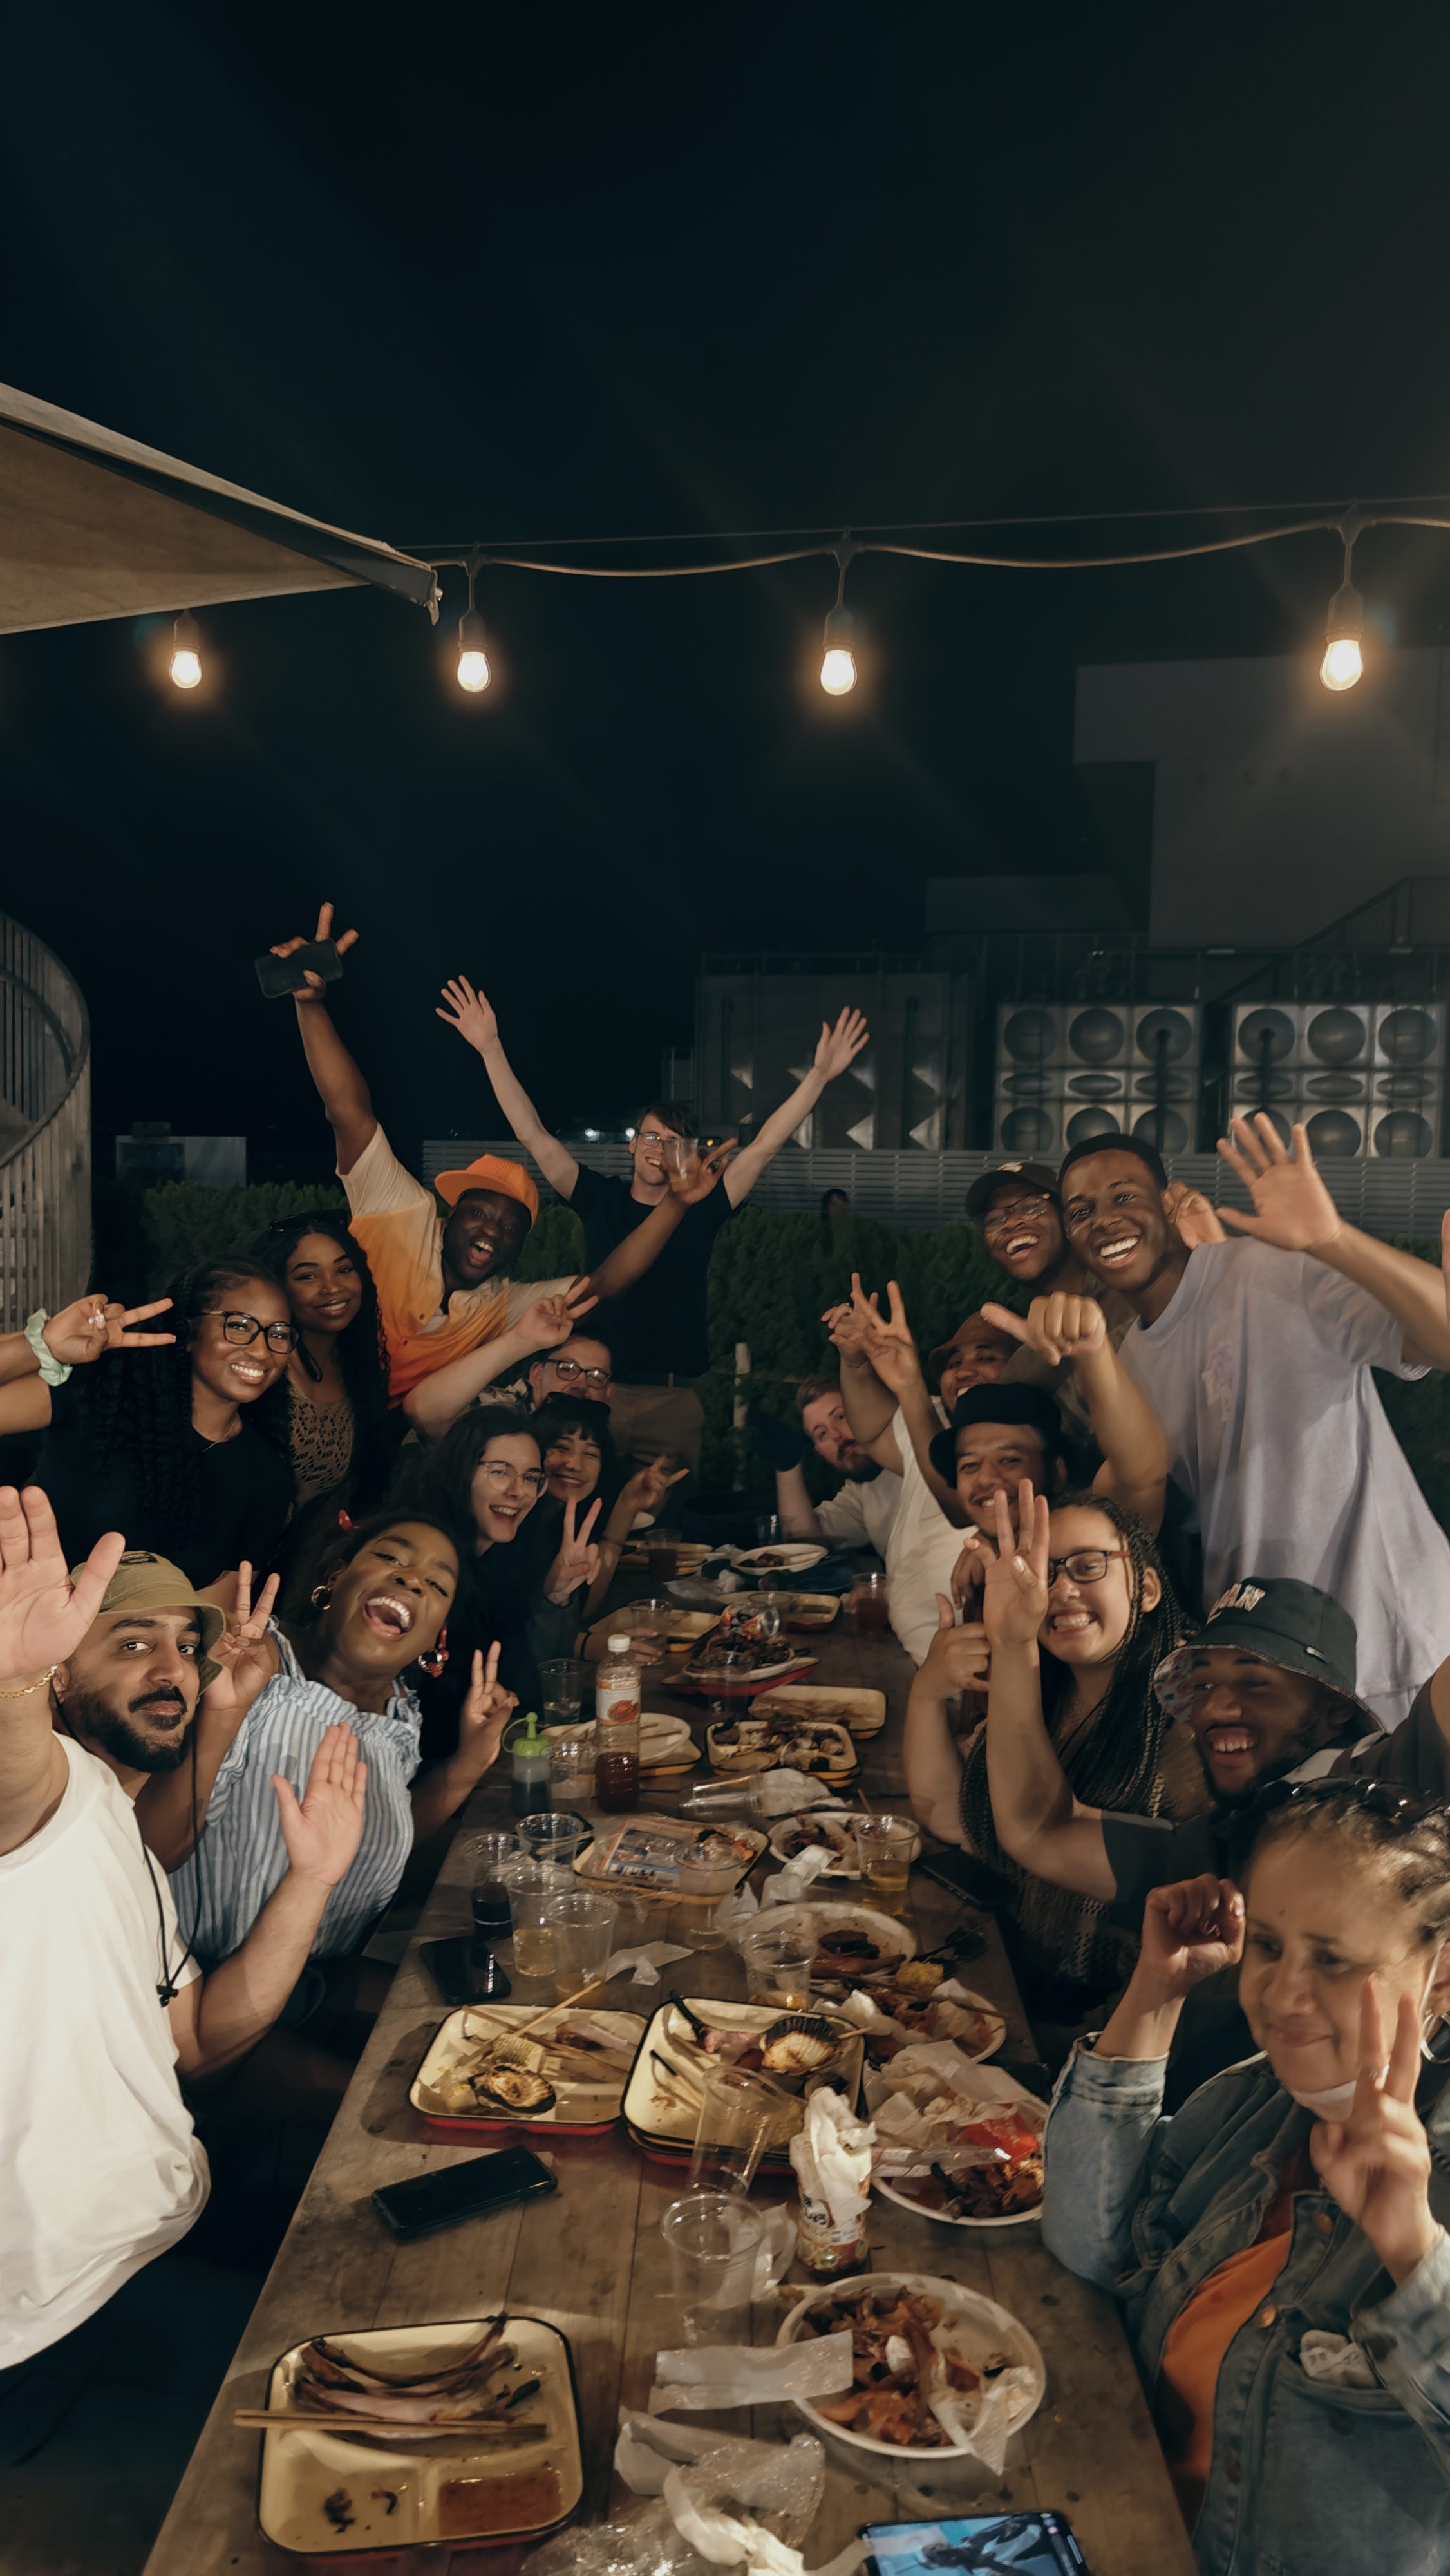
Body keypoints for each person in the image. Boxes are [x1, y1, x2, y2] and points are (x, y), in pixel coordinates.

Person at [0, 1487, 368, 2430]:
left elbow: (199, 2043)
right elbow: (15, 1782)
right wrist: (10, 1685)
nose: (173, 1668)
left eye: (184, 1647)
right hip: (62, 2322)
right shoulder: (52, 1790)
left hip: (164, 2236)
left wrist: (313, 1878)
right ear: (60, 1680)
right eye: (130, 1644)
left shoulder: (118, 1833)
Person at [1041, 1794, 1450, 2569]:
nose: (1280, 1992)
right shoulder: (1253, 2097)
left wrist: (1411, 2250)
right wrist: (1154, 1994)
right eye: (1266, 1944)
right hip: (1114, 2520)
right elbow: (1087, 2247)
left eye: (1331, 1959)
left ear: (1440, 1978)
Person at [1059, 1115, 1450, 1726]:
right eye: (1080, 1211)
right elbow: (1143, 1505)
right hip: (1268, 1669)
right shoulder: (1126, 1358)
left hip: (1391, 1646)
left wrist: (1330, 1238)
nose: (1103, 1219)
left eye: (1124, 1196)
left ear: (1169, 1201)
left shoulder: (1274, 1269)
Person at [270, 907, 711, 1408]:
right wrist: (311, 1006)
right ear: (449, 1216)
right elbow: (349, 1113)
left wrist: (676, 1205)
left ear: (519, 1247)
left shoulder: (503, 1305)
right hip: (291, 1397)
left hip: (383, 1441)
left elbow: (604, 1285)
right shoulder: (400, 1212)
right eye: (479, 1212)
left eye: (510, 1226)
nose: (491, 1230)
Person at [440, 967, 871, 1481]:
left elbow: (764, 1146)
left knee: (663, 1525)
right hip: (594, 1388)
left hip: (671, 1395)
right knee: (572, 1506)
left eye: (670, 1140)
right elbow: (534, 1136)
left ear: (684, 1154)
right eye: (648, 1136)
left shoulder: (706, 1204)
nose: (656, 1147)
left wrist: (819, 1076)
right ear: (631, 1144)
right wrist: (490, 1048)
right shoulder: (599, 1197)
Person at [164, 1510, 517, 2058]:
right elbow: (148, 1849)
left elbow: (378, 1830)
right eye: (390, 1558)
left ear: (437, 1637)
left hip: (320, 1987)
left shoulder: (401, 1715)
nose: (412, 1579)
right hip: (199, 1999)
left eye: (437, 1583)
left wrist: (470, 1761)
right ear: (335, 1576)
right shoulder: (250, 1659)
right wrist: (217, 1713)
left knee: (507, 2025)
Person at [905, 1489, 1200, 2031]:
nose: (1061, 1588)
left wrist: (1013, 1647)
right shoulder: (1046, 1696)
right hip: (1008, 1991)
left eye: (1088, 1566)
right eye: (1043, 1573)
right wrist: (927, 1693)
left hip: (1106, 2032)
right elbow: (950, 1815)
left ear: (1149, 1587)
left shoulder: (1190, 1726)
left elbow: (1043, 1830)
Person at [0, 1271, 295, 1588]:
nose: (263, 1351)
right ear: (188, 1331)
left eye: (279, 1333)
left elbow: (221, 1607)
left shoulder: (266, 1475)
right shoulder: (98, 1398)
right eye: (239, 1325)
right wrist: (40, 1345)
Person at [250, 1213, 399, 1613]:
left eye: (344, 1269)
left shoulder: (357, 1372)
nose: (332, 1288)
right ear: (277, 1287)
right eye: (307, 1275)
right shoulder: (263, 1366)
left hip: (292, 1584)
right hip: (230, 1571)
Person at [400, 1284, 607, 1437]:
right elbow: (423, 1412)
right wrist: (523, 1340)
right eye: (568, 1368)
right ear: (537, 1374)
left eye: (597, 1376)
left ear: (609, 1393)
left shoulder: (602, 1442)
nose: (581, 1384)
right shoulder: (504, 1415)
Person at [753, 1374, 901, 1554]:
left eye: (841, 1416)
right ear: (819, 1452)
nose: (836, 1436)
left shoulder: (921, 1443)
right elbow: (807, 1545)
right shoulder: (860, 1493)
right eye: (822, 1434)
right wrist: (788, 1467)